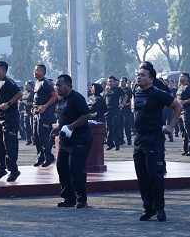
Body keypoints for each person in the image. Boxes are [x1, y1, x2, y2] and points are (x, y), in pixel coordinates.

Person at [133, 62, 182, 222]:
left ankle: (160, 208)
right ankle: (149, 208)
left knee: (155, 175)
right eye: (138, 75)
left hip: (154, 139)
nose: (139, 77)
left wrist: (171, 125)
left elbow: (177, 106)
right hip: (139, 139)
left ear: (151, 79)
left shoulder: (158, 93)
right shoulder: (136, 92)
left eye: (143, 75)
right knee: (142, 177)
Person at [52, 74, 93, 208]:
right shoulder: (60, 100)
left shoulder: (77, 98)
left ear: (68, 85)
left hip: (80, 139)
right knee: (62, 168)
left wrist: (71, 126)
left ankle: (82, 199)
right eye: (56, 85)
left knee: (75, 169)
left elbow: (86, 116)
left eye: (59, 85)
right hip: (65, 141)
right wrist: (58, 128)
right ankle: (69, 199)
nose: (57, 87)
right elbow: (64, 117)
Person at [0, 61, 22, 182]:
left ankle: (14, 170)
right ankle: (1, 168)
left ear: (3, 70)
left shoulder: (9, 82)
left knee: (10, 144)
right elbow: (0, 99)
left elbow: (19, 94)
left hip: (10, 117)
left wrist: (8, 103)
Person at [32, 64, 58, 167]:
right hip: (37, 113)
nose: (34, 72)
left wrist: (45, 106)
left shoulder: (46, 83)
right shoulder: (37, 82)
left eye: (37, 70)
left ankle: (49, 157)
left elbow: (54, 96)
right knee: (36, 136)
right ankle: (40, 157)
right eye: (34, 70)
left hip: (45, 115)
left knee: (43, 136)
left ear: (43, 72)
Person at [177, 73, 190, 156]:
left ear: (187, 79)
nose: (181, 78)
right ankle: (186, 149)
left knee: (189, 130)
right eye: (180, 76)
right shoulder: (180, 88)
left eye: (183, 77)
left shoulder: (189, 88)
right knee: (183, 132)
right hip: (180, 112)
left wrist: (185, 102)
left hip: (188, 111)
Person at [103, 76, 123, 150]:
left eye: (111, 81)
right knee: (108, 128)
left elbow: (125, 96)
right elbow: (104, 99)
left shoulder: (118, 89)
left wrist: (122, 104)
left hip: (115, 111)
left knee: (115, 128)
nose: (110, 83)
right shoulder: (107, 90)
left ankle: (117, 145)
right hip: (108, 112)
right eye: (109, 81)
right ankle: (110, 144)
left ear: (115, 82)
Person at [120, 77, 134, 145]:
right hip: (119, 110)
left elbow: (131, 100)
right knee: (120, 126)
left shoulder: (128, 90)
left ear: (126, 82)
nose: (121, 82)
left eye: (123, 81)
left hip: (127, 110)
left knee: (127, 126)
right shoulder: (118, 89)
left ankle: (129, 140)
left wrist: (125, 104)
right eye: (121, 81)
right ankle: (121, 140)